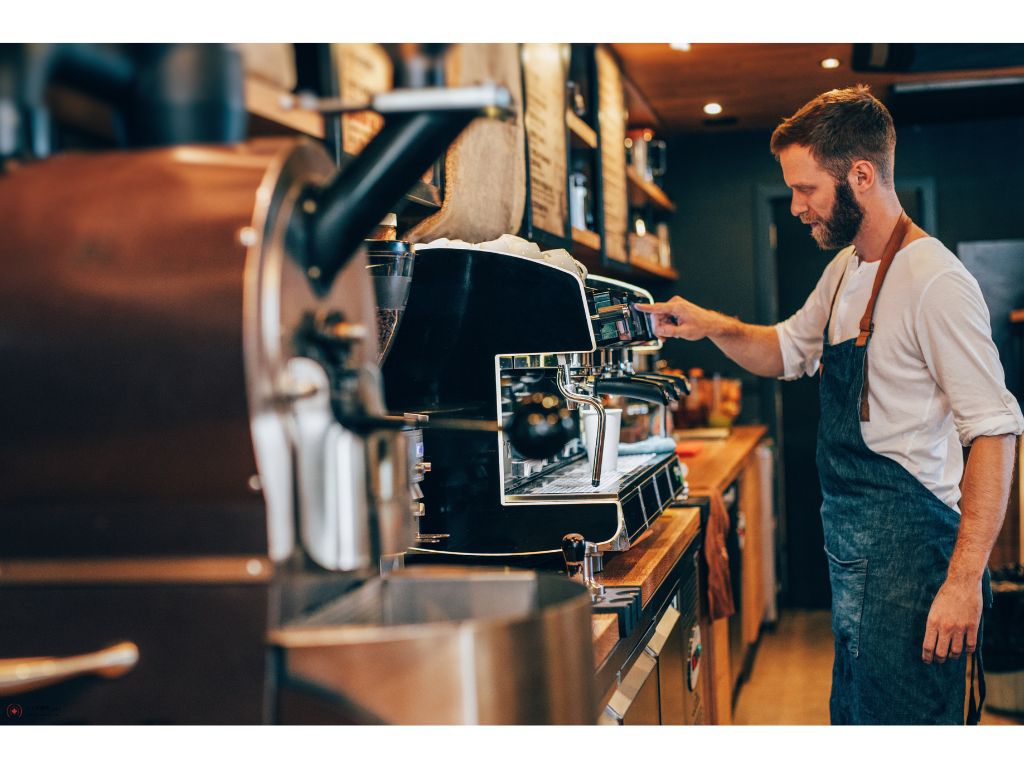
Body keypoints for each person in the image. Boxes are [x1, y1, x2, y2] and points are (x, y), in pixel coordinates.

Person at [637, 85, 1024, 725]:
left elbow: (995, 432)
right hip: (860, 567)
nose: (795, 207)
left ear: (861, 175)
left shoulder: (935, 280)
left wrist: (961, 585)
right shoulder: (845, 270)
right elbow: (786, 350)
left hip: (917, 571)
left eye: (806, 189)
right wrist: (708, 324)